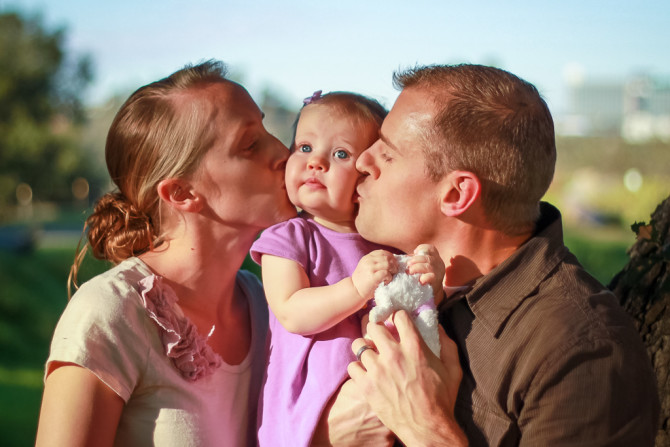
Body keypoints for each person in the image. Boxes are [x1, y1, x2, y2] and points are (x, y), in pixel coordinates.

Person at [346, 64, 660, 446]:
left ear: (456, 195)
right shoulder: (384, 279)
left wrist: (424, 427)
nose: (362, 160)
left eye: (388, 153)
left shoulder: (581, 351)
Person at [35, 60, 297, 446]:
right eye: (250, 144)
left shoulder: (272, 305)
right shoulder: (110, 314)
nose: (282, 152)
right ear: (182, 193)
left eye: (266, 129)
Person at [249, 91, 445, 446]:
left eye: (340, 154)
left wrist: (433, 281)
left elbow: (418, 314)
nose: (315, 162)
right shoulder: (289, 237)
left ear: (367, 176)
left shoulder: (387, 244)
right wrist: (356, 288)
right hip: (312, 416)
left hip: (388, 403)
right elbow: (292, 311)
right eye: (304, 147)